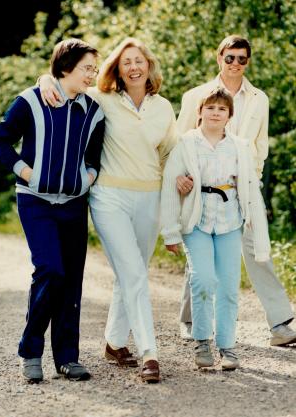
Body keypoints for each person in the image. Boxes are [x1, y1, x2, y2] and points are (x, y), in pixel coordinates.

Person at [39, 37, 177, 383]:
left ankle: (115, 343)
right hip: (109, 197)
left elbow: (170, 153)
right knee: (133, 273)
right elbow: (65, 81)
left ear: (149, 66)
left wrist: (182, 179)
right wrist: (44, 80)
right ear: (117, 68)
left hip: (149, 197)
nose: (133, 67)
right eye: (125, 62)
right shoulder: (100, 100)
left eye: (138, 61)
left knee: (132, 271)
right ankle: (150, 353)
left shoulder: (163, 107)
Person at [0, 38, 105, 382]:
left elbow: (93, 157)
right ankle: (31, 350)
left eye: (94, 70)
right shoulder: (30, 101)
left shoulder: (95, 111)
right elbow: (0, 141)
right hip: (35, 202)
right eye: (87, 68)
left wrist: (88, 178)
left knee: (71, 281)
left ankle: (68, 358)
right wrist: (27, 172)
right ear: (65, 68)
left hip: (73, 205)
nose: (91, 75)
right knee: (50, 270)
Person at [176, 34, 296, 346]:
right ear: (219, 59)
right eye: (230, 57)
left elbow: (261, 145)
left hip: (245, 187)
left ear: (248, 62)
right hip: (202, 187)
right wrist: (182, 179)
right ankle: (191, 319)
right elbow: (180, 140)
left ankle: (280, 323)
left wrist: (252, 182)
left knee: (259, 250)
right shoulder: (197, 96)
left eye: (242, 58)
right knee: (199, 252)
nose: (236, 64)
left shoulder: (259, 98)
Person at [161, 88, 270, 369]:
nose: (215, 113)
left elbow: (248, 188)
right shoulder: (185, 144)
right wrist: (170, 232)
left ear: (229, 116)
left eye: (222, 109)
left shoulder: (239, 146)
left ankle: (227, 346)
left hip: (230, 222)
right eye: (210, 108)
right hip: (196, 221)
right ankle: (201, 341)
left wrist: (259, 234)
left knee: (229, 286)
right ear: (200, 112)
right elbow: (170, 188)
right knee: (204, 279)